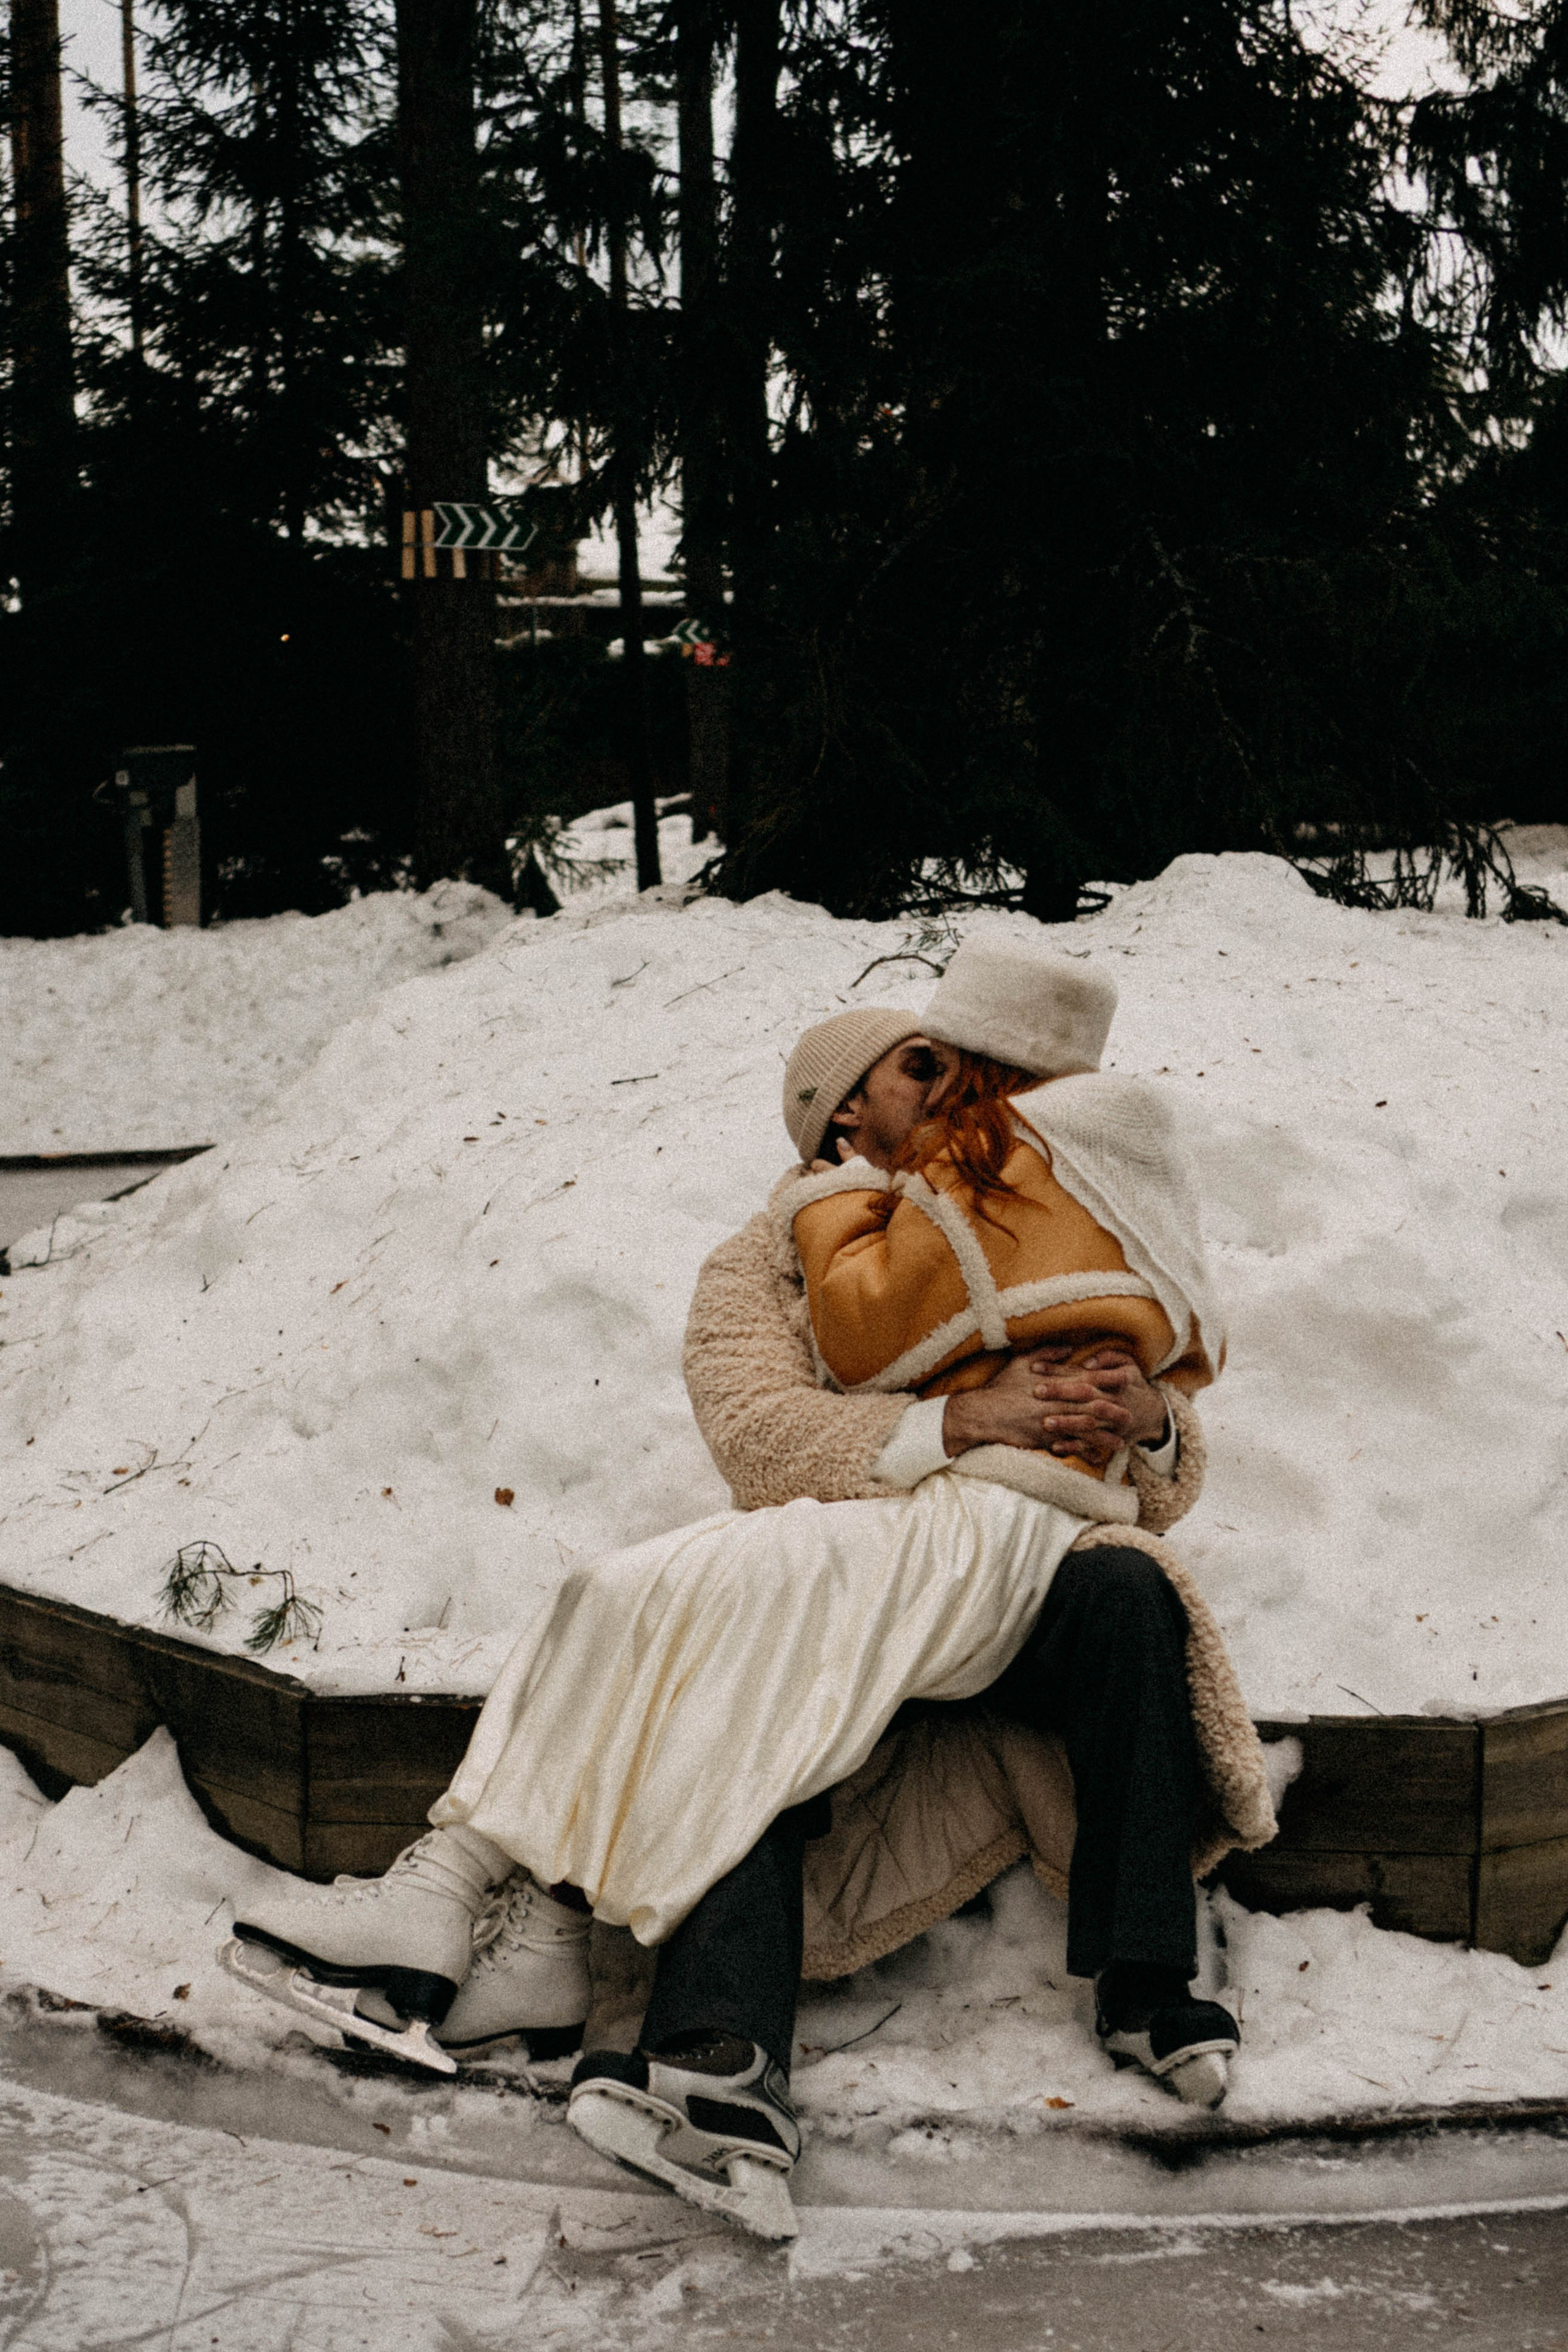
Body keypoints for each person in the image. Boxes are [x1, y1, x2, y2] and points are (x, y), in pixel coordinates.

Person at [224, 942, 1273, 2238]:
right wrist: (954, 1421)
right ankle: (711, 2050)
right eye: (917, 1065)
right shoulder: (757, 1265)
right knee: (760, 1677)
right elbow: (760, 1441)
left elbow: (1158, 1476)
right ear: (845, 1110)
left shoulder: (1034, 1202)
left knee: (1126, 1597)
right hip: (848, 1581)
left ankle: (1146, 1977)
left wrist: (1149, 1418)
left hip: (1007, 1580)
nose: (951, 1087)